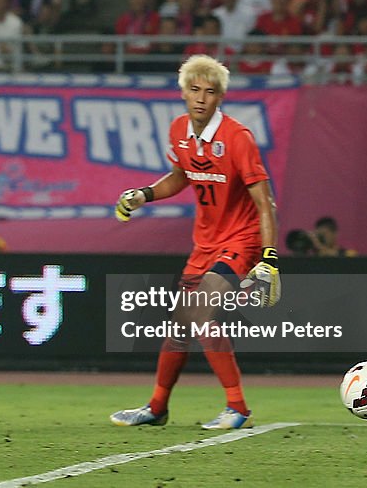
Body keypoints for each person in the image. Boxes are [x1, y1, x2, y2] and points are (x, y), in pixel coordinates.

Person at [110, 54, 280, 430]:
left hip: (242, 237)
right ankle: (157, 408)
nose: (201, 97)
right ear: (183, 92)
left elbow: (265, 203)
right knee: (179, 327)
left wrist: (268, 259)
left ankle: (237, 407)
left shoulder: (238, 139)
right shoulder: (178, 131)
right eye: (194, 89)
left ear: (220, 97)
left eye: (210, 91)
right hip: (205, 243)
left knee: (203, 313)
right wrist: (144, 194)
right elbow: (180, 176)